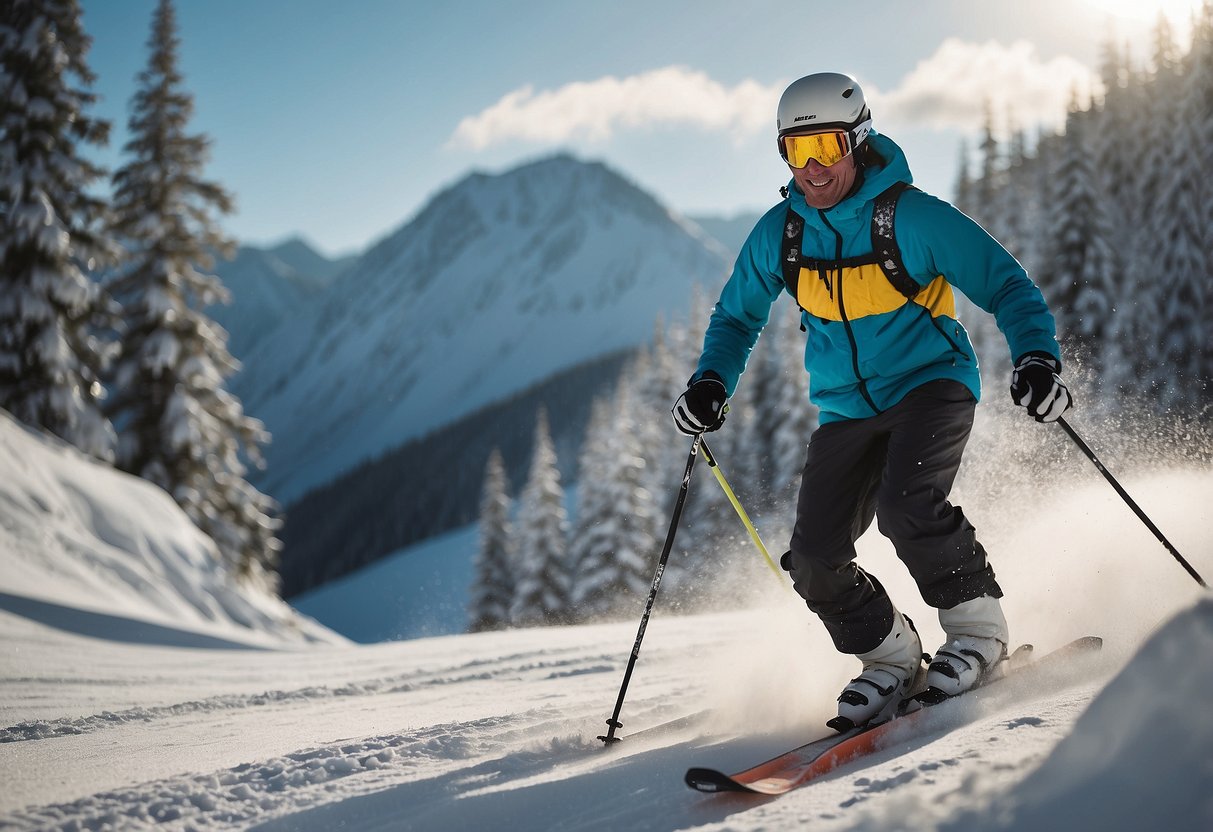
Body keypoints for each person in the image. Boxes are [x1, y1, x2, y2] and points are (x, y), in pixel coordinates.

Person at [671, 71, 1072, 731]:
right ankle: (889, 656)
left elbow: (1006, 285)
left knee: (906, 507)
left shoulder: (909, 217)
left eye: (825, 146)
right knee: (814, 556)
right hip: (846, 410)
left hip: (930, 385)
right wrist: (710, 381)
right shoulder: (782, 233)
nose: (812, 167)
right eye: (794, 152)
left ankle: (977, 633)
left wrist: (1035, 357)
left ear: (858, 140)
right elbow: (735, 317)